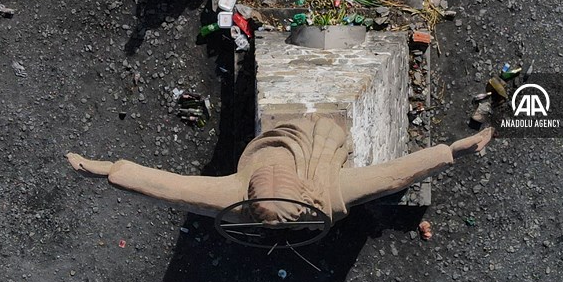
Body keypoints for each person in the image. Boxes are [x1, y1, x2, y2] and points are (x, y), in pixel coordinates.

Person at [67, 113, 493, 225]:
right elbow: (394, 175)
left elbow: (162, 185)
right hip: (303, 144)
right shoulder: (328, 193)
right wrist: (450, 152)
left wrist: (107, 171)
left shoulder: (229, 199)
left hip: (296, 145)